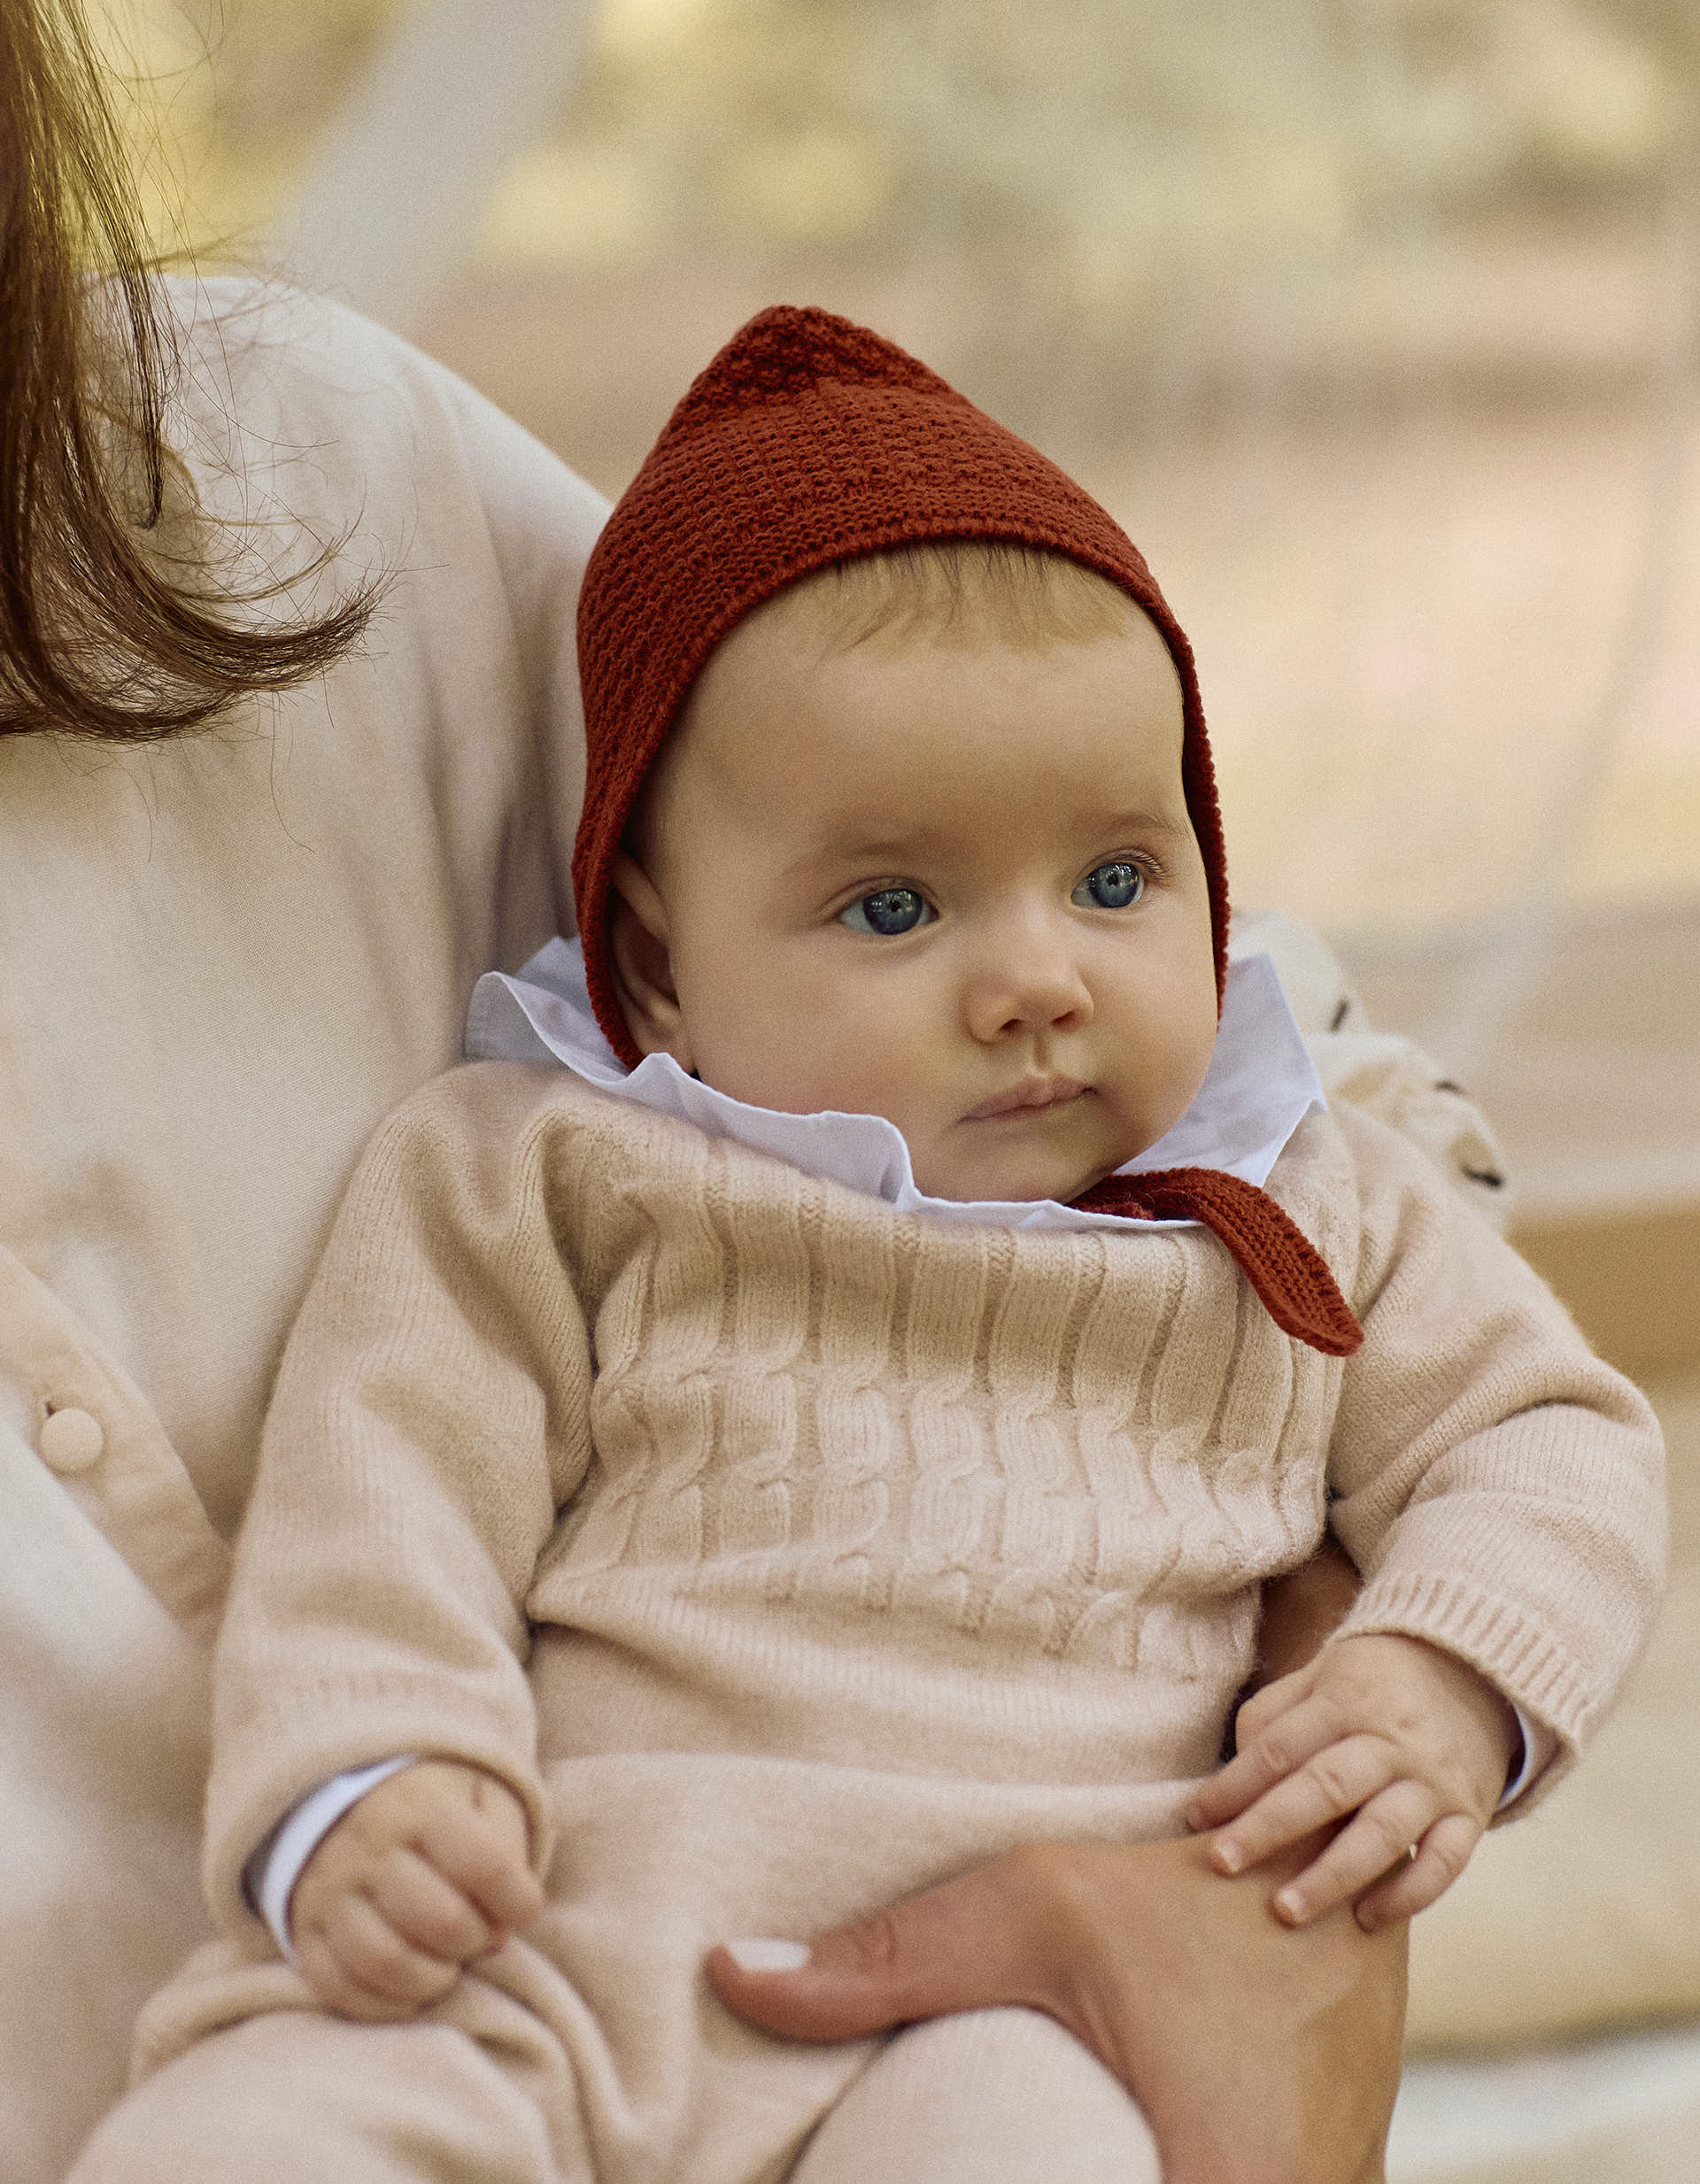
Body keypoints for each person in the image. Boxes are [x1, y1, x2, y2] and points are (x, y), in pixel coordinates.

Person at [4, 11, 1419, 2183]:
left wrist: (1374, 1774)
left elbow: (1328, 1172)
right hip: (424, 2047)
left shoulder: (274, 481)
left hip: (938, 2045)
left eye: (1126, 881)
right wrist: (351, 1786)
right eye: (904, 919)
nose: (1035, 980)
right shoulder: (509, 1189)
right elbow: (394, 1482)